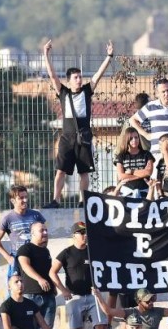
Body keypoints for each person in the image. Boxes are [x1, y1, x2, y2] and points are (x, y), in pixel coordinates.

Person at [41, 39, 114, 207]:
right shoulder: (63, 92)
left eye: (80, 77)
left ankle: (83, 201)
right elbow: (52, 75)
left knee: (83, 172)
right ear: (69, 80)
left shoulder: (87, 91)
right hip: (67, 138)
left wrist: (109, 56)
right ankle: (56, 200)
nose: (79, 79)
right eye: (76, 77)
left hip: (84, 138)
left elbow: (98, 75)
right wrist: (46, 55)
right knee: (60, 171)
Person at [51, 221, 108, 329]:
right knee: (75, 328)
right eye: (81, 233)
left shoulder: (92, 251)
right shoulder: (66, 252)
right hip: (74, 297)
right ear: (74, 235)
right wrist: (63, 290)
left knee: (102, 326)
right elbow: (52, 272)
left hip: (92, 295)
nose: (85, 235)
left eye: (86, 232)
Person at [16, 222, 59, 329]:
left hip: (48, 297)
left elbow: (49, 272)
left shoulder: (46, 251)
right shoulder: (25, 249)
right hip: (31, 296)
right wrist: (39, 279)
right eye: (42, 230)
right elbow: (25, 266)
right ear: (32, 233)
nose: (45, 233)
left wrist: (54, 287)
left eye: (46, 230)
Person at [0, 185, 46, 275]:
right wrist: (8, 258)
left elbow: (45, 235)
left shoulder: (36, 215)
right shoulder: (8, 219)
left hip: (35, 258)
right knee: (17, 287)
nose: (25, 200)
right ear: (13, 201)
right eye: (21, 198)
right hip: (17, 260)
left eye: (26, 197)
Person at [114, 128, 155, 199]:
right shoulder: (121, 156)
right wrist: (141, 175)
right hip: (127, 192)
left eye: (136, 137)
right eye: (131, 138)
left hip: (144, 192)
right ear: (127, 139)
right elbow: (121, 176)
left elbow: (148, 172)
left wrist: (131, 172)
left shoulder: (147, 154)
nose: (134, 140)